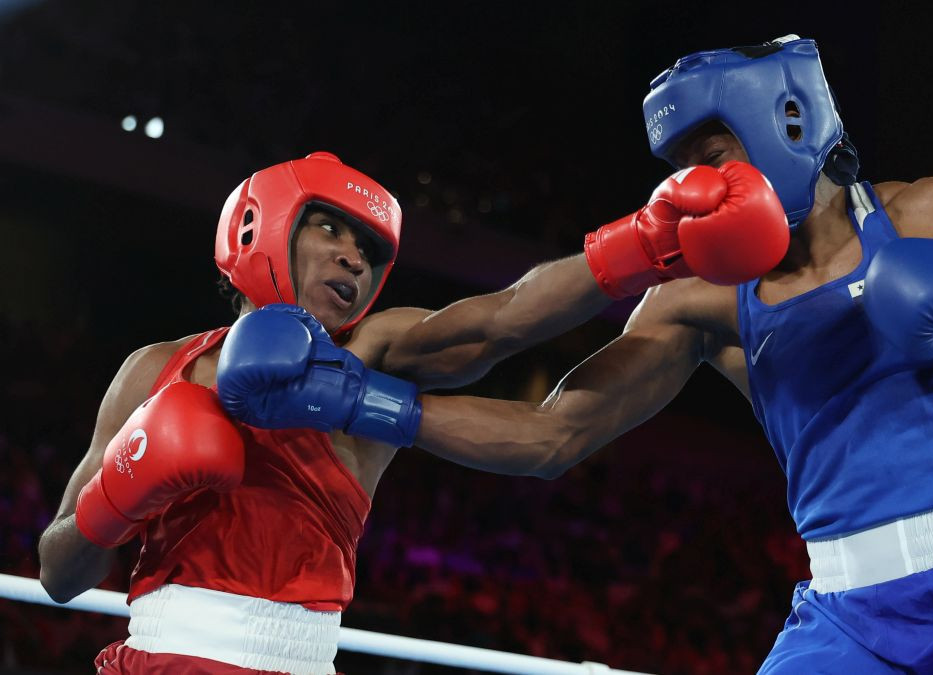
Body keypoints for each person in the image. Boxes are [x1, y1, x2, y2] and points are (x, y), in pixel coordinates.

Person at [236, 36, 933, 673]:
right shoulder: (697, 295)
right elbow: (551, 434)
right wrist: (358, 400)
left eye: (718, 147)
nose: (703, 178)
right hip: (842, 606)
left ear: (789, 123)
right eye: (687, 158)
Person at [36, 150, 789, 673]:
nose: (353, 258)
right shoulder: (152, 370)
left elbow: (503, 320)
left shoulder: (371, 351)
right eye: (329, 228)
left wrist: (645, 242)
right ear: (258, 226)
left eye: (367, 247)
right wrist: (121, 494)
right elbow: (58, 570)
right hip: (150, 659)